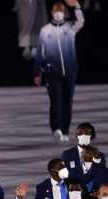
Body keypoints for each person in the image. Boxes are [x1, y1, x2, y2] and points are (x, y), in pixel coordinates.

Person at [34, 0, 85, 142]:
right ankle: (56, 128)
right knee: (55, 101)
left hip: (70, 72)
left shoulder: (70, 28)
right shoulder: (45, 30)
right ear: (51, 13)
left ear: (64, 12)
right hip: (52, 72)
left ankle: (65, 130)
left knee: (67, 102)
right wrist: (37, 72)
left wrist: (76, 6)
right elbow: (39, 52)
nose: (58, 13)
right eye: (55, 10)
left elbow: (81, 21)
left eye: (61, 10)